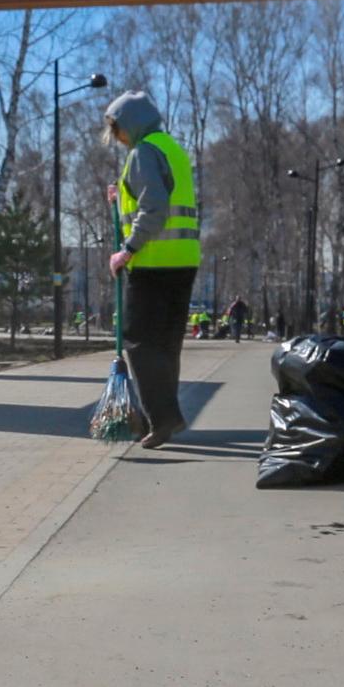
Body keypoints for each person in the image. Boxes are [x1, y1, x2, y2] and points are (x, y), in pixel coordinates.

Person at [102, 90, 198, 448]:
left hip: (153, 262)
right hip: (183, 260)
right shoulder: (171, 148)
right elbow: (157, 196)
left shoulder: (143, 153)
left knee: (138, 339)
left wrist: (126, 251)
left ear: (130, 124)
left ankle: (163, 418)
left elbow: (154, 208)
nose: (119, 138)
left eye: (119, 130)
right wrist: (122, 195)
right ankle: (162, 418)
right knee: (165, 344)